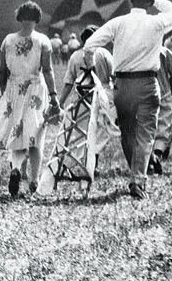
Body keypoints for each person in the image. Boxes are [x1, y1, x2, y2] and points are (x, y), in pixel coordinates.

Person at [83, 0, 172, 199]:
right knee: (146, 134)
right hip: (147, 83)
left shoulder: (118, 23)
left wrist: (90, 66)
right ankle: (138, 179)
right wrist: (157, 2)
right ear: (150, 1)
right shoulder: (157, 22)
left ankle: (136, 174)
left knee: (127, 133)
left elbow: (89, 44)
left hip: (123, 84)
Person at [0, 1, 58, 197]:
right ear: (37, 18)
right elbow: (48, 70)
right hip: (35, 90)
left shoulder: (8, 40)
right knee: (36, 136)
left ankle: (16, 168)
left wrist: (4, 94)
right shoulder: (43, 40)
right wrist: (53, 96)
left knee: (17, 135)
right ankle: (34, 180)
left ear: (20, 17)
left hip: (14, 89)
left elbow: (2, 71)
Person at [36, 25, 117, 195]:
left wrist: (60, 103)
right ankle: (90, 164)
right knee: (97, 132)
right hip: (103, 98)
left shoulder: (75, 56)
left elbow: (68, 83)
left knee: (82, 133)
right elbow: (114, 78)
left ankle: (86, 163)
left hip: (82, 97)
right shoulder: (104, 53)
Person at [150, 45, 172, 173]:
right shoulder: (163, 51)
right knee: (164, 127)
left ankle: (148, 159)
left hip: (145, 93)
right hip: (163, 92)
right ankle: (157, 155)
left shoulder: (141, 49)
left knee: (147, 127)